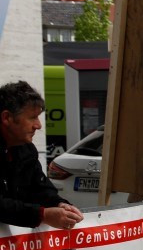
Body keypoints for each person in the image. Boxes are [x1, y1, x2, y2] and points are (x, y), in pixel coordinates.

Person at [1, 81, 84, 229]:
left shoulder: (26, 150)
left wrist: (59, 204)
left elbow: (39, 187)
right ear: (7, 118)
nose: (38, 125)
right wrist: (42, 215)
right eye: (32, 117)